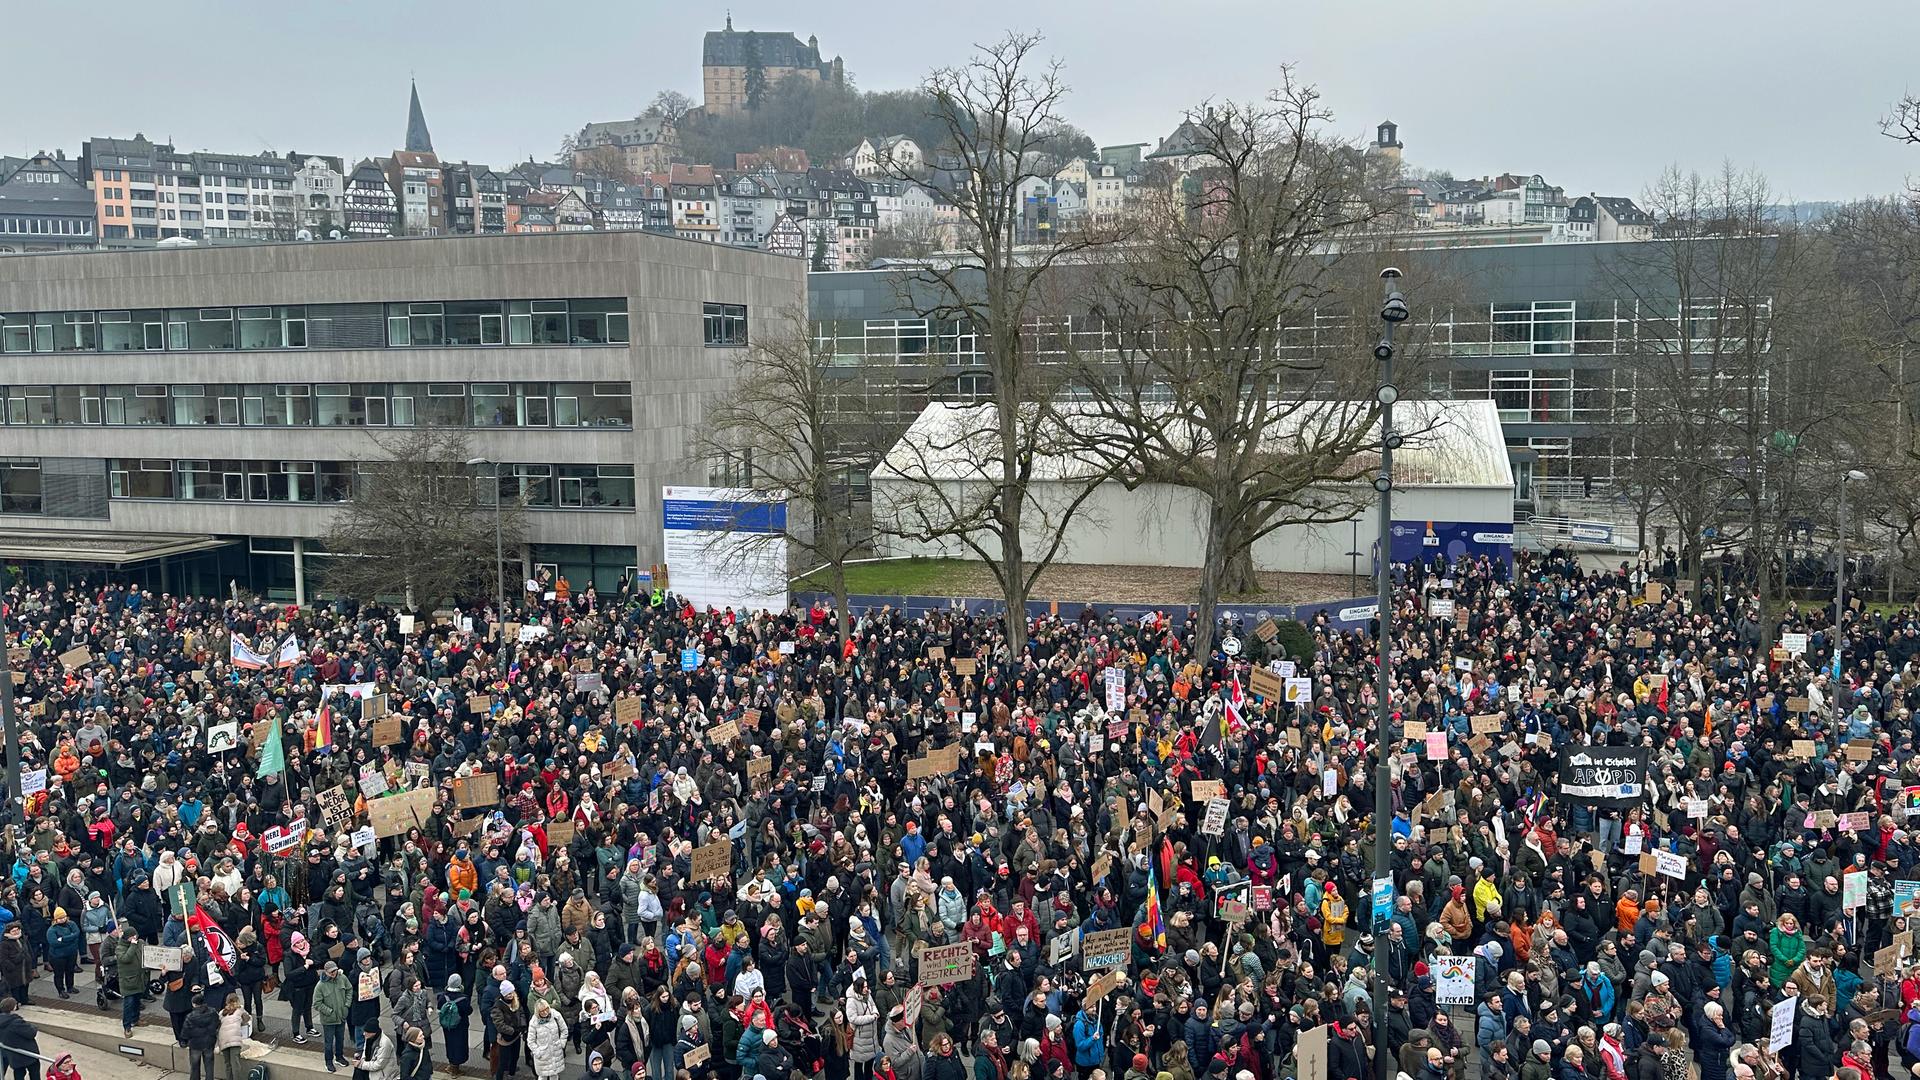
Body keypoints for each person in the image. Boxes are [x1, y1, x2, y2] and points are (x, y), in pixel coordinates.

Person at [318, 960, 355, 1072]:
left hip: (341, 1017)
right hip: (328, 1020)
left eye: (334, 970)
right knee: (328, 1043)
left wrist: (347, 1005)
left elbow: (349, 990)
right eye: (331, 972)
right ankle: (328, 1062)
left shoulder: (342, 978)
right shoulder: (320, 986)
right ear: (326, 972)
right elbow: (316, 1003)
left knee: (340, 1039)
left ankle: (339, 1057)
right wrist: (329, 1011)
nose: (333, 973)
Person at [526, 999, 569, 1080]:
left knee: (554, 1075)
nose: (545, 1012)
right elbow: (530, 1041)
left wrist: (562, 1043)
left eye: (547, 1009)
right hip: (543, 1055)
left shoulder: (556, 1015)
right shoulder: (534, 1021)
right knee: (542, 1076)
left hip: (556, 1051)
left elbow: (564, 1030)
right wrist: (538, 1052)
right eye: (542, 1011)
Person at [182, 994, 223, 1080]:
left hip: (195, 1044)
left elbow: (185, 1032)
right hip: (209, 1042)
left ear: (194, 1004)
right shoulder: (212, 1012)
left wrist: (184, 1041)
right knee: (209, 1066)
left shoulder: (190, 1017)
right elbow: (217, 1023)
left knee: (194, 1066)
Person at [44, 907, 79, 999]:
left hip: (71, 954)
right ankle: (61, 990)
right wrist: (70, 938)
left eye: (64, 917)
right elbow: (54, 943)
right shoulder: (52, 930)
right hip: (58, 956)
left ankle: (70, 987)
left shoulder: (71, 924)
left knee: (70, 971)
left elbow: (77, 933)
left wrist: (63, 939)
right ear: (56, 919)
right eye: (60, 918)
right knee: (59, 974)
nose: (63, 919)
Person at [217, 996, 253, 1080]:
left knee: (228, 1064)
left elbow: (218, 1024)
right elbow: (248, 1018)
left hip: (223, 1038)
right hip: (234, 1039)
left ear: (226, 1002)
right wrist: (240, 1022)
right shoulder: (240, 1010)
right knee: (235, 1064)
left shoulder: (222, 1012)